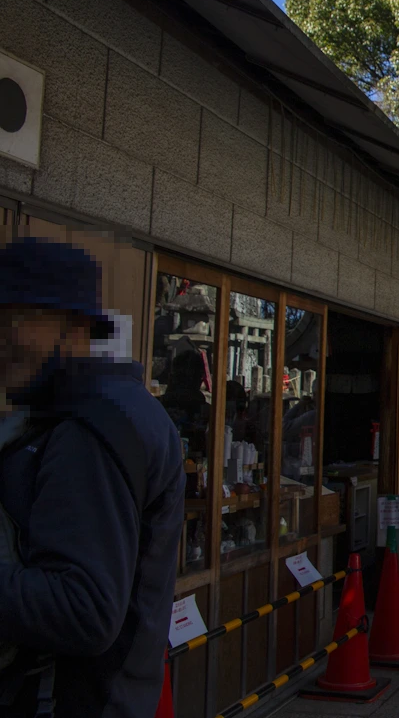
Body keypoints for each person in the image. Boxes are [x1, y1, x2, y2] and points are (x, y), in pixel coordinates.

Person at [0, 238, 184, 716]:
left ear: (74, 325)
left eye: (13, 317)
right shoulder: (107, 411)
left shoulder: (89, 431)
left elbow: (83, 610)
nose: (1, 336)